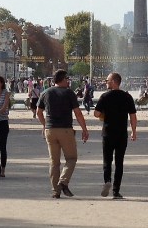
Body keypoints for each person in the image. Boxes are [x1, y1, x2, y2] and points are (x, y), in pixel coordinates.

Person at [37, 69, 89, 198]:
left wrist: (44, 125)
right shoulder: (68, 93)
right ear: (63, 79)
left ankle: (55, 191)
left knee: (54, 162)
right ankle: (63, 181)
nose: (68, 81)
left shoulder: (45, 93)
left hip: (50, 129)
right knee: (71, 158)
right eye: (67, 79)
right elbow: (77, 113)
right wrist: (84, 129)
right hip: (65, 129)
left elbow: (38, 112)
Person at [93, 72, 137, 199]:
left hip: (107, 132)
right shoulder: (127, 97)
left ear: (113, 82)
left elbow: (96, 113)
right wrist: (134, 131)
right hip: (121, 134)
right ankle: (116, 191)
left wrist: (104, 115)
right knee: (119, 162)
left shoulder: (105, 96)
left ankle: (107, 180)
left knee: (107, 160)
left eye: (107, 80)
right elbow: (133, 116)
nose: (106, 82)